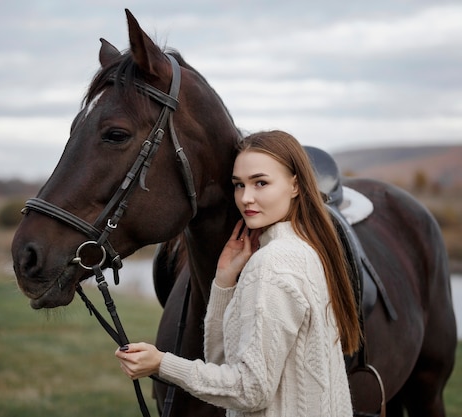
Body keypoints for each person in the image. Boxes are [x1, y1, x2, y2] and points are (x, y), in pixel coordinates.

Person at [116, 130, 361, 416]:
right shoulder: (307, 248)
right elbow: (226, 365)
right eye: (238, 185)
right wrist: (223, 283)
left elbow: (250, 391)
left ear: (295, 185)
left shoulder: (272, 264)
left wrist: (161, 363)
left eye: (260, 183)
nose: (246, 198)